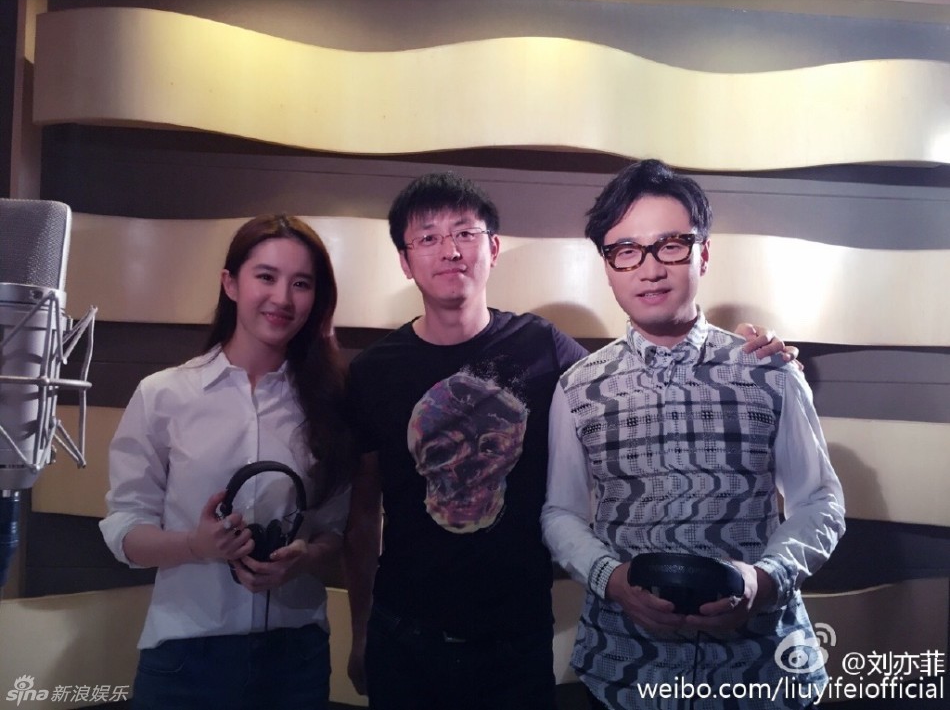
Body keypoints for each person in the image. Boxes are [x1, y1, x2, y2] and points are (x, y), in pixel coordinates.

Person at [343, 172, 794, 710]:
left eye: (465, 233)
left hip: (517, 640)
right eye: (428, 237)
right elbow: (362, 514)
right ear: (404, 259)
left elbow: (634, 387)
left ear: (493, 248)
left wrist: (748, 360)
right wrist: (360, 627)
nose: (450, 250)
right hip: (404, 637)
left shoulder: (543, 348)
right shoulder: (373, 371)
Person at [542, 159, 846, 710]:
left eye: (671, 245)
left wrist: (765, 580)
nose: (650, 269)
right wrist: (610, 579)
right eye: (626, 251)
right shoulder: (578, 387)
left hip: (760, 667)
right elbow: (561, 511)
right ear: (607, 265)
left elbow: (819, 501)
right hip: (624, 665)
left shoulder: (769, 371)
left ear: (703, 253)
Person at [100, 215, 351, 710]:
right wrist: (194, 545)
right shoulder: (163, 395)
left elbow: (335, 530)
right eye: (266, 276)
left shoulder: (330, 402)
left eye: (301, 283)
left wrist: (305, 558)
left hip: (295, 658)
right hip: (186, 657)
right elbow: (125, 529)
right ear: (231, 284)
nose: (282, 297)